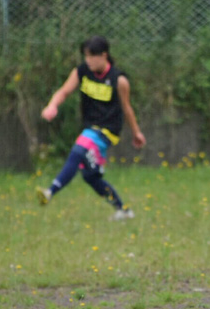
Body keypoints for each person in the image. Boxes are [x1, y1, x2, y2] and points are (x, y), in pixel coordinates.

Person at [36, 36, 146, 220]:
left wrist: (136, 132)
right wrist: (52, 105)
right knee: (90, 177)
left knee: (78, 149)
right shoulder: (82, 72)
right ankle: (124, 211)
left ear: (104, 55)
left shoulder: (119, 80)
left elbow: (127, 108)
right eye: (86, 56)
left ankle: (50, 191)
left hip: (108, 131)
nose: (88, 60)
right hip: (90, 128)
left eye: (92, 56)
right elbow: (64, 91)